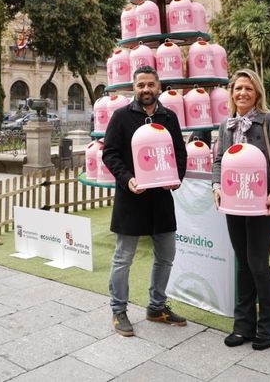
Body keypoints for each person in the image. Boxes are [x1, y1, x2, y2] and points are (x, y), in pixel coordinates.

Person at [101, 65, 188, 337]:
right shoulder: (121, 117)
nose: (146, 89)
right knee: (123, 258)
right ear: (134, 88)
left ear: (158, 86)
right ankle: (118, 310)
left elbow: (179, 153)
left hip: (161, 198)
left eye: (150, 84)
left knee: (166, 256)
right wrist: (128, 179)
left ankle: (156, 307)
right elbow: (110, 154)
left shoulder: (169, 117)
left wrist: (177, 178)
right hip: (132, 197)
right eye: (141, 85)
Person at [212, 69, 270, 351]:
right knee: (242, 263)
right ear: (231, 93)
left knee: (258, 263)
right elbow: (219, 160)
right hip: (234, 203)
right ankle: (242, 325)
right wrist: (216, 187)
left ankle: (268, 327)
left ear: (257, 92)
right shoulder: (227, 126)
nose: (242, 93)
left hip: (262, 205)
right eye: (237, 88)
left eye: (248, 88)